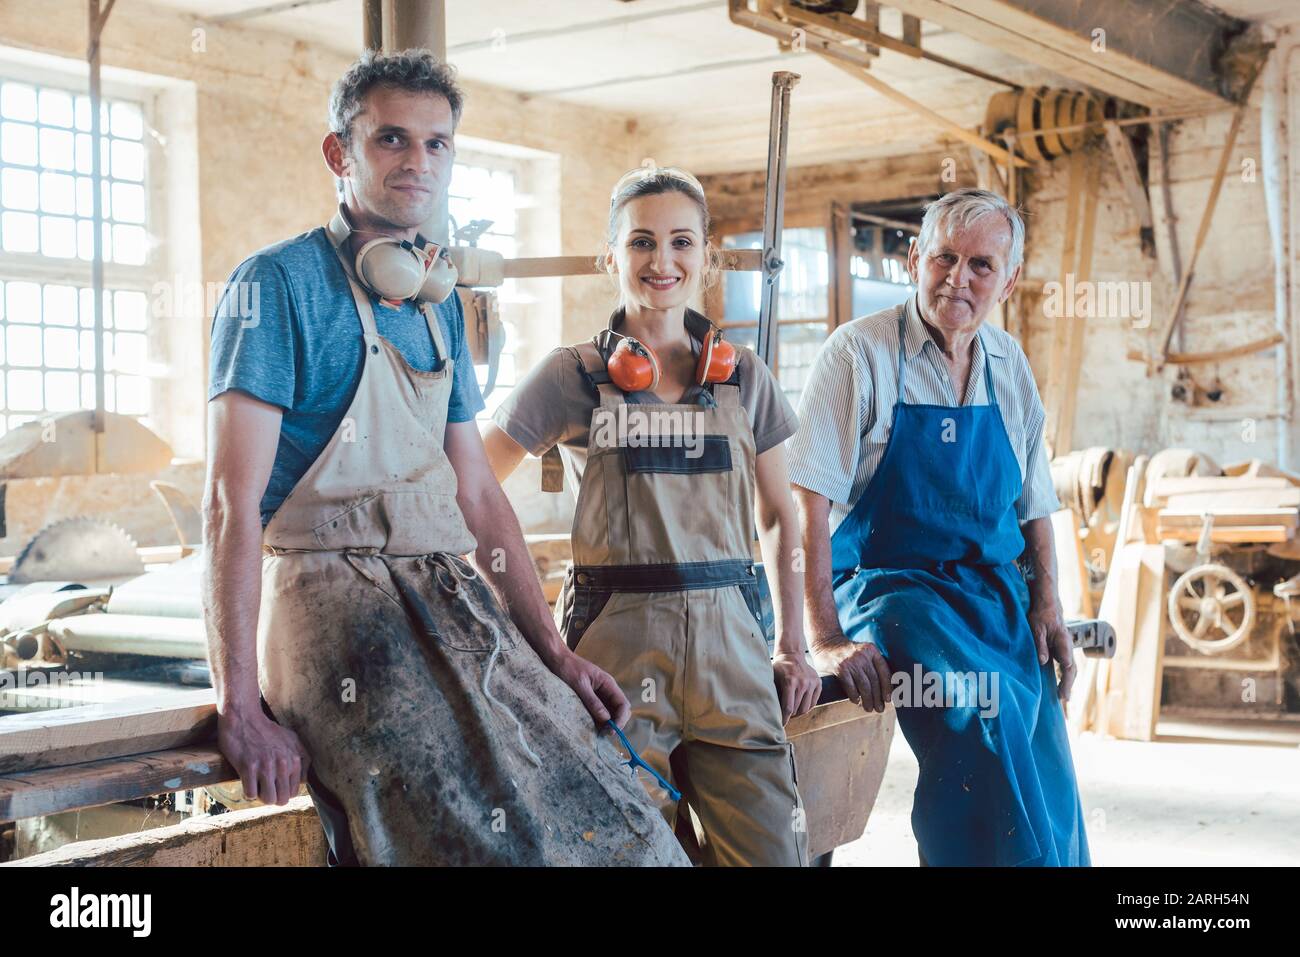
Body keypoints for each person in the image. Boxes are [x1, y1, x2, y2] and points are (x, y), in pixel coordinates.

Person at [201, 49, 687, 867]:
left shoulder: (437, 306)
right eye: (391, 140)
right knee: (477, 836)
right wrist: (238, 706)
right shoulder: (275, 286)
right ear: (339, 154)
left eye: (437, 144)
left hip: (450, 592)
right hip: (337, 610)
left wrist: (555, 654)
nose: (417, 162)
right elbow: (228, 505)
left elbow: (479, 496)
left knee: (618, 812)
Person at [483, 166, 820, 867]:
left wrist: (794, 642)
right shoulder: (571, 375)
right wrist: (538, 638)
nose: (661, 262)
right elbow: (471, 487)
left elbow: (782, 516)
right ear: (611, 256)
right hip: (615, 662)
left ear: (707, 254)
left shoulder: (745, 376)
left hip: (737, 661)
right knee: (625, 855)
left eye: (680, 242)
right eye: (640, 242)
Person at [789, 188, 1090, 866]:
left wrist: (1048, 602)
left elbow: (1034, 499)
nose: (959, 278)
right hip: (892, 588)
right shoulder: (858, 353)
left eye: (981, 265)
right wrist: (826, 636)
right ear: (913, 259)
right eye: (945, 258)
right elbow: (805, 505)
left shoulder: (1010, 366)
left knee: (1044, 752)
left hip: (992, 593)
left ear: (1007, 280)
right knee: (979, 722)